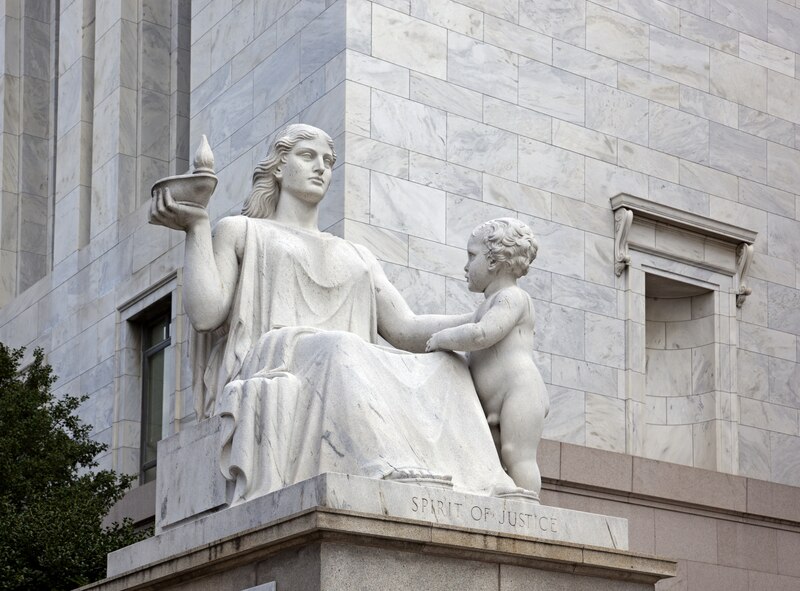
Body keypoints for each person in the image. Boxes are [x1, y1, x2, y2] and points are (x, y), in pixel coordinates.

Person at [149, 124, 516, 504]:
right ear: (278, 167)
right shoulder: (242, 230)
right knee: (341, 346)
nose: (320, 167)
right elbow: (207, 314)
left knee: (447, 363)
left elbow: (406, 329)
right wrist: (197, 226)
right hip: (277, 354)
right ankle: (380, 463)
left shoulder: (357, 254)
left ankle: (487, 481)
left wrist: (484, 315)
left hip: (343, 359)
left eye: (328, 161)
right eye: (307, 156)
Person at [426, 218, 549, 499]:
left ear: (494, 261)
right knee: (492, 457)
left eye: (471, 256)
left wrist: (442, 339)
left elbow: (482, 335)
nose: (466, 266)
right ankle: (503, 501)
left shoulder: (513, 298)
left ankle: (528, 505)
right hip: (492, 401)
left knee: (517, 455)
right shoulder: (488, 305)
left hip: (520, 393)